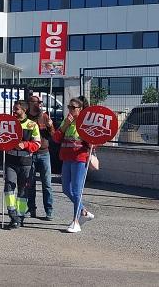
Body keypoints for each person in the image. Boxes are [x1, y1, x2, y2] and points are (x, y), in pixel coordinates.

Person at [53, 96, 95, 233]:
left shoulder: (85, 123)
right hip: (66, 158)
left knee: (77, 190)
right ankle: (83, 211)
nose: (70, 110)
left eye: (73, 107)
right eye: (69, 107)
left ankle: (75, 221)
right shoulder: (67, 122)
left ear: (81, 109)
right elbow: (56, 138)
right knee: (66, 189)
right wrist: (65, 124)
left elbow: (93, 143)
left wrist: (87, 139)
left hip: (80, 159)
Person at [4, 100, 41, 229]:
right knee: (9, 188)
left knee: (23, 191)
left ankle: (20, 217)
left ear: (24, 110)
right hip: (10, 161)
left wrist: (25, 145)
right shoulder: (9, 123)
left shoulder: (32, 125)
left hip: (26, 162)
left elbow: (37, 144)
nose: (14, 111)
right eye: (14, 109)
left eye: (17, 109)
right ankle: (12, 215)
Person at [26, 95, 55, 220]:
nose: (39, 104)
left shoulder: (44, 116)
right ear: (30, 103)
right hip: (30, 153)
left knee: (47, 183)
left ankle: (49, 210)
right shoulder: (25, 117)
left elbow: (53, 135)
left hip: (44, 153)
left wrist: (50, 126)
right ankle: (31, 208)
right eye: (36, 102)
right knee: (30, 183)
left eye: (40, 102)